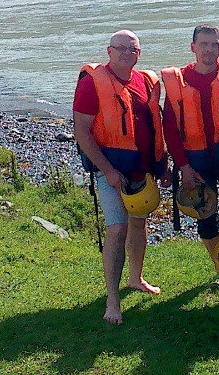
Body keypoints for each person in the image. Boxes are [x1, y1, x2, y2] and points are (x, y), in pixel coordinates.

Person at [72, 30, 168, 325]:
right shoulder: (92, 83)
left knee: (139, 224)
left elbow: (154, 126)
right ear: (109, 51)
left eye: (133, 49)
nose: (127, 53)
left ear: (139, 54)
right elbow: (82, 132)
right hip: (110, 170)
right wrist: (109, 171)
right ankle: (112, 301)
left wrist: (162, 166)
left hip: (142, 168)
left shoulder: (147, 81)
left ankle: (135, 279)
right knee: (117, 229)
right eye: (121, 48)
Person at [161, 25, 219, 280]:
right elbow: (170, 130)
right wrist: (183, 166)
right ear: (193, 47)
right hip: (194, 158)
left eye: (214, 44)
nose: (209, 49)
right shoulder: (178, 82)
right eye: (203, 44)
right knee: (206, 214)